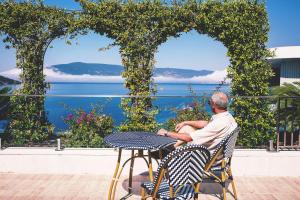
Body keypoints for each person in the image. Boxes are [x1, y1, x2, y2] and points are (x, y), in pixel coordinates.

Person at [155, 92, 237, 157]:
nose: (209, 104)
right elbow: (206, 123)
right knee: (186, 127)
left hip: (203, 155)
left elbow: (188, 138)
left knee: (176, 147)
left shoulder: (218, 123)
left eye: (210, 102)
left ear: (214, 104)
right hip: (214, 152)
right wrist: (185, 122)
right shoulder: (227, 117)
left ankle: (165, 153)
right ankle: (167, 149)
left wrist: (166, 133)